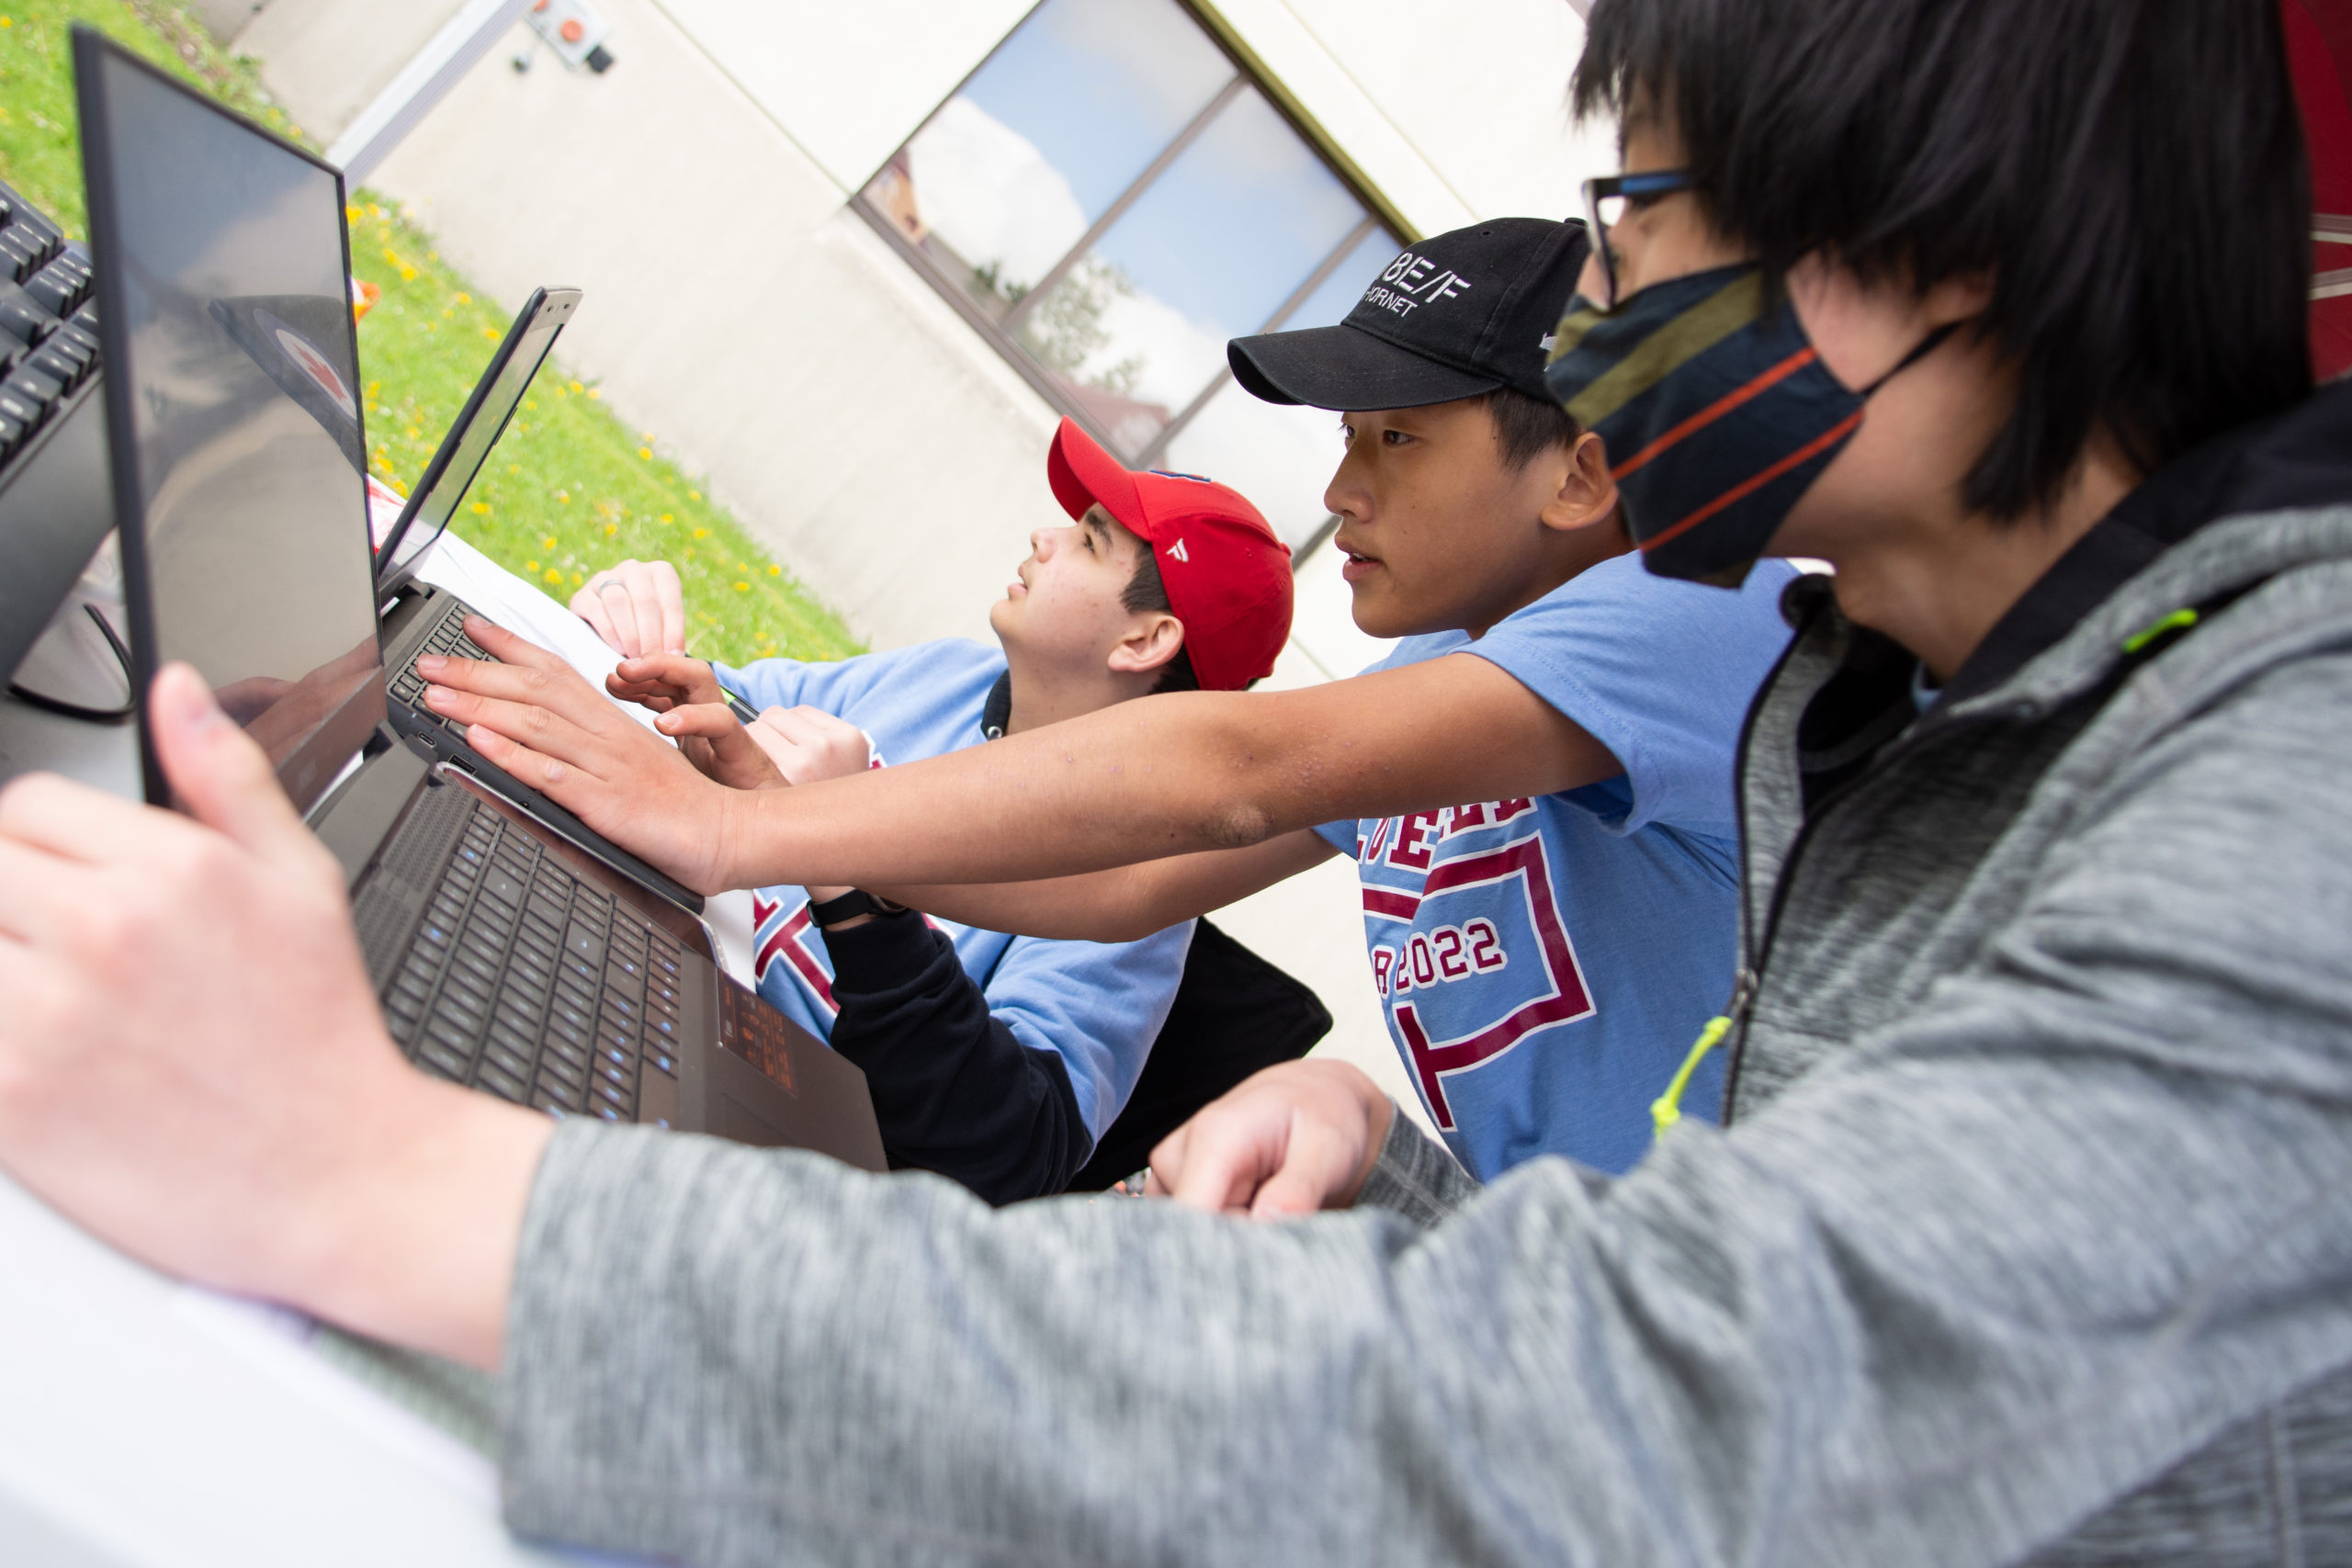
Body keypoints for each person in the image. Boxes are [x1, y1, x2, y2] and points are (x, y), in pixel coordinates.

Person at [2, 3, 2346, 1564]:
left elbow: (1665, 1425)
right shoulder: (1890, 690)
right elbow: (1840, 1322)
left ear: (1912, 262)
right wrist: (1394, 1157)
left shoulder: (2284, 800)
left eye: (1632, 230)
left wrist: (415, 1185)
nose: (1606, 327)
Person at [436, 216, 1802, 1179]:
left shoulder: (1698, 607)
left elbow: (1234, 772)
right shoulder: (1440, 679)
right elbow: (1123, 878)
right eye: (1345, 438)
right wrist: (808, 826)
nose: (1343, 490)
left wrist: (741, 839)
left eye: (1398, 438)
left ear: (1580, 474)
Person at [560, 419, 1296, 1202]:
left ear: (1146, 638)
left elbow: (1008, 1149)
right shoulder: (953, 674)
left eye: (1087, 541)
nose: (1044, 536)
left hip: (749, 1159)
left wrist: (844, 871)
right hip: (638, 969)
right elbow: (723, 700)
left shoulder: (1140, 888)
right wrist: (620, 641)